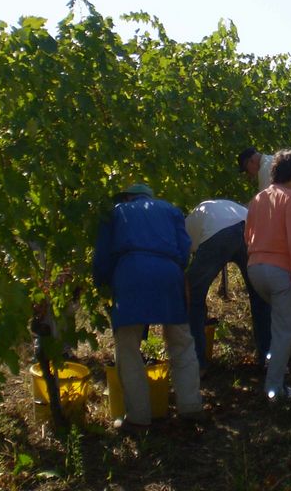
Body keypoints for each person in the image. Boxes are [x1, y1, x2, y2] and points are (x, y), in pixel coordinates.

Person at [92, 183, 203, 430]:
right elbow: (185, 248)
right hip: (168, 272)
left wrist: (102, 282)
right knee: (181, 342)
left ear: (129, 197)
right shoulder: (171, 210)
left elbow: (103, 254)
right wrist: (174, 269)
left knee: (128, 347)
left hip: (130, 273)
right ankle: (191, 405)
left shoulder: (117, 212)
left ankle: (139, 417)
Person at [244, 150, 291, 402]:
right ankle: (275, 391)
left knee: (276, 322)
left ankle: (273, 365)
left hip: (255, 269)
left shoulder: (258, 198)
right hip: (280, 271)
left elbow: (247, 235)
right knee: (284, 331)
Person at [184, 199, 271, 372]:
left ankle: (198, 365)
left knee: (192, 295)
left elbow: (189, 255)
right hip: (250, 228)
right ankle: (268, 358)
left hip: (220, 234)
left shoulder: (186, 227)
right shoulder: (211, 207)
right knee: (259, 294)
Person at [238, 146, 291, 318]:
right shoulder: (271, 160)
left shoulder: (265, 169)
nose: (249, 175)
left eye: (247, 170)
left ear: (251, 161)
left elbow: (268, 199)